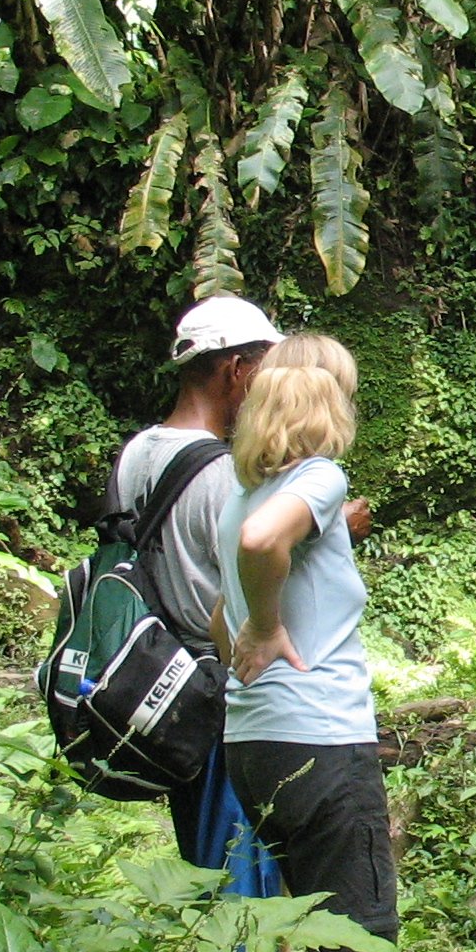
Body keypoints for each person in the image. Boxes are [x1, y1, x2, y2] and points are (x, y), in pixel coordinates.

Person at [219, 332, 394, 952]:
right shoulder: (318, 479)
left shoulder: (241, 495)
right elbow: (263, 556)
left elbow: (220, 599)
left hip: (256, 742)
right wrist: (264, 626)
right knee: (357, 938)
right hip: (322, 740)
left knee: (320, 927)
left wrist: (251, 639)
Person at [115, 296, 282, 871]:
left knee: (204, 848)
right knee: (238, 857)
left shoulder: (137, 451)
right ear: (237, 369)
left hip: (165, 681)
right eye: (264, 370)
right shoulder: (219, 473)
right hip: (221, 687)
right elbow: (249, 580)